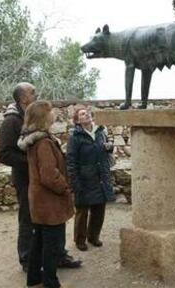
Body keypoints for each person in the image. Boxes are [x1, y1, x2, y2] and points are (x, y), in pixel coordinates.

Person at [0, 82, 81, 272]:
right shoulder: (11, 121)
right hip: (27, 181)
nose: (36, 94)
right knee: (28, 219)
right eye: (32, 92)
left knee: (55, 217)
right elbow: (3, 154)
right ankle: (28, 261)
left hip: (45, 178)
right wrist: (35, 163)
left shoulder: (35, 116)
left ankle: (58, 255)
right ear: (22, 98)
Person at [18, 100, 73, 288]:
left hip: (40, 201)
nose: (53, 114)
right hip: (50, 203)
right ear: (43, 116)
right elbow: (49, 176)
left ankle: (34, 281)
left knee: (39, 243)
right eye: (50, 111)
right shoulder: (43, 143)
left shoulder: (35, 139)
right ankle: (50, 283)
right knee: (51, 246)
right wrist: (65, 188)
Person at [66, 105, 115, 251]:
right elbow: (71, 161)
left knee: (99, 209)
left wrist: (109, 147)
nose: (86, 115)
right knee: (82, 211)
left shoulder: (100, 132)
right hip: (84, 178)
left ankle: (93, 236)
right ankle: (80, 240)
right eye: (82, 114)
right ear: (77, 120)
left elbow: (105, 151)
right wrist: (75, 182)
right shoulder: (74, 137)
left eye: (87, 113)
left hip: (100, 176)